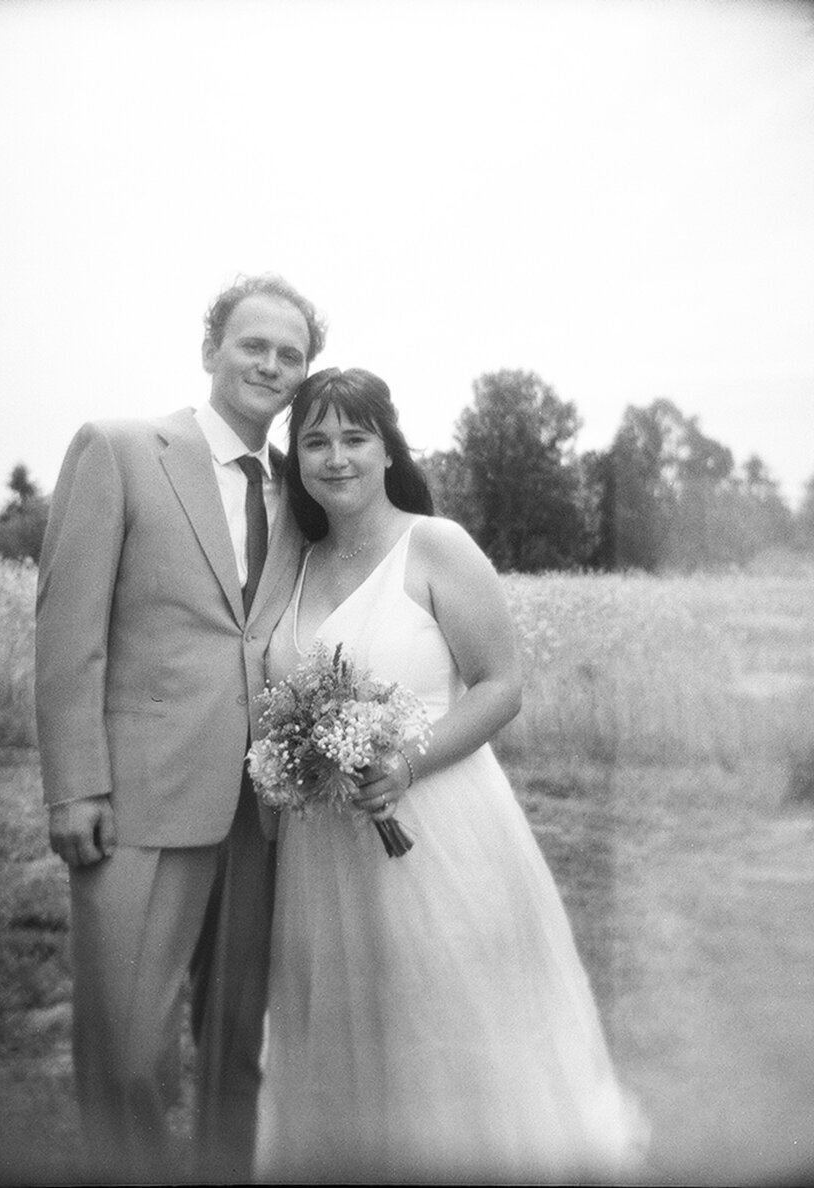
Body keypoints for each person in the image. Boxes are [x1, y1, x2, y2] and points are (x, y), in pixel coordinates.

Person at [255, 367, 649, 1183]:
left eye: (355, 438)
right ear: (296, 459)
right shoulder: (296, 563)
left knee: (448, 1024)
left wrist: (402, 761)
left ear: (387, 447)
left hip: (440, 827)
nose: (335, 459)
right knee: (346, 1031)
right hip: (326, 845)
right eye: (316, 442)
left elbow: (501, 685)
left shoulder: (435, 544)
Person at [34, 274, 326, 1181]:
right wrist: (76, 785)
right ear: (211, 352)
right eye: (254, 345)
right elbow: (66, 628)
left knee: (238, 1047)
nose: (271, 365)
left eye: (291, 354)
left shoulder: (300, 491)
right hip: (142, 800)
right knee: (125, 1050)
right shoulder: (119, 450)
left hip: (263, 808)